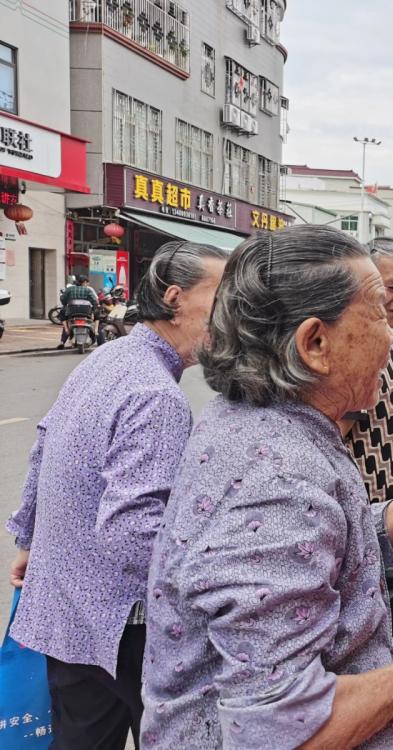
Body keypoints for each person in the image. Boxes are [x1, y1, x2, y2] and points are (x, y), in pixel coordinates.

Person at [140, 226, 393, 750]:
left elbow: (313, 559)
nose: (390, 333)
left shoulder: (264, 422)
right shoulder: (278, 482)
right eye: (379, 311)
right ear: (315, 343)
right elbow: (276, 731)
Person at [7, 241, 228, 748]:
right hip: (121, 624)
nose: (231, 316)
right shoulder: (156, 394)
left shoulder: (110, 356)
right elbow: (134, 530)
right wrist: (216, 583)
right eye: (221, 299)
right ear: (174, 298)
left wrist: (29, 537)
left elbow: (43, 443)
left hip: (67, 608)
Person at [338, 236, 393, 655]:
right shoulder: (358, 352)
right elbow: (333, 439)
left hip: (390, 525)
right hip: (366, 531)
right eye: (391, 287)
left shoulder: (383, 345)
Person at [56, 274, 99, 349]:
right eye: (87, 283)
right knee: (96, 315)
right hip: (86, 313)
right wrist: (92, 311)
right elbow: (95, 301)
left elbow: (62, 299)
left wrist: (66, 304)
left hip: (71, 312)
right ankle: (95, 331)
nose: (88, 284)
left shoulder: (69, 289)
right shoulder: (87, 290)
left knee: (65, 318)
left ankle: (62, 341)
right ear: (84, 282)